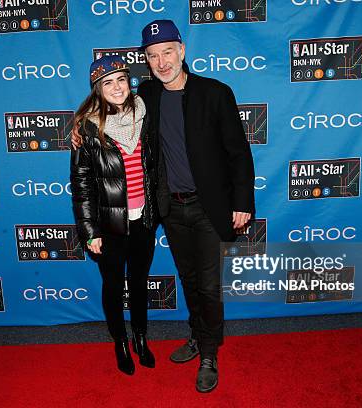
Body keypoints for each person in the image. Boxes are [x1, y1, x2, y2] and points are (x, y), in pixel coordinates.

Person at [72, 20, 255, 392]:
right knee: (188, 281)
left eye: (168, 51)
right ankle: (196, 335)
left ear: (182, 51)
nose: (161, 61)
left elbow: (239, 153)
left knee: (208, 286)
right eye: (153, 55)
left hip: (209, 209)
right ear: (146, 61)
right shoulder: (147, 97)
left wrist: (243, 202)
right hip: (169, 209)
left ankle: (208, 353)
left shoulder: (216, 92)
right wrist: (80, 124)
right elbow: (107, 117)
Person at [70, 55, 158, 376]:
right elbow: (82, 186)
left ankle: (140, 337)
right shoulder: (88, 128)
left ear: (129, 80)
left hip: (144, 221)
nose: (117, 87)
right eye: (108, 83)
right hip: (108, 226)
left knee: (138, 283)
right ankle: (120, 342)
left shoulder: (146, 112)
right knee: (112, 285)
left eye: (121, 79)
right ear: (98, 89)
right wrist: (89, 232)